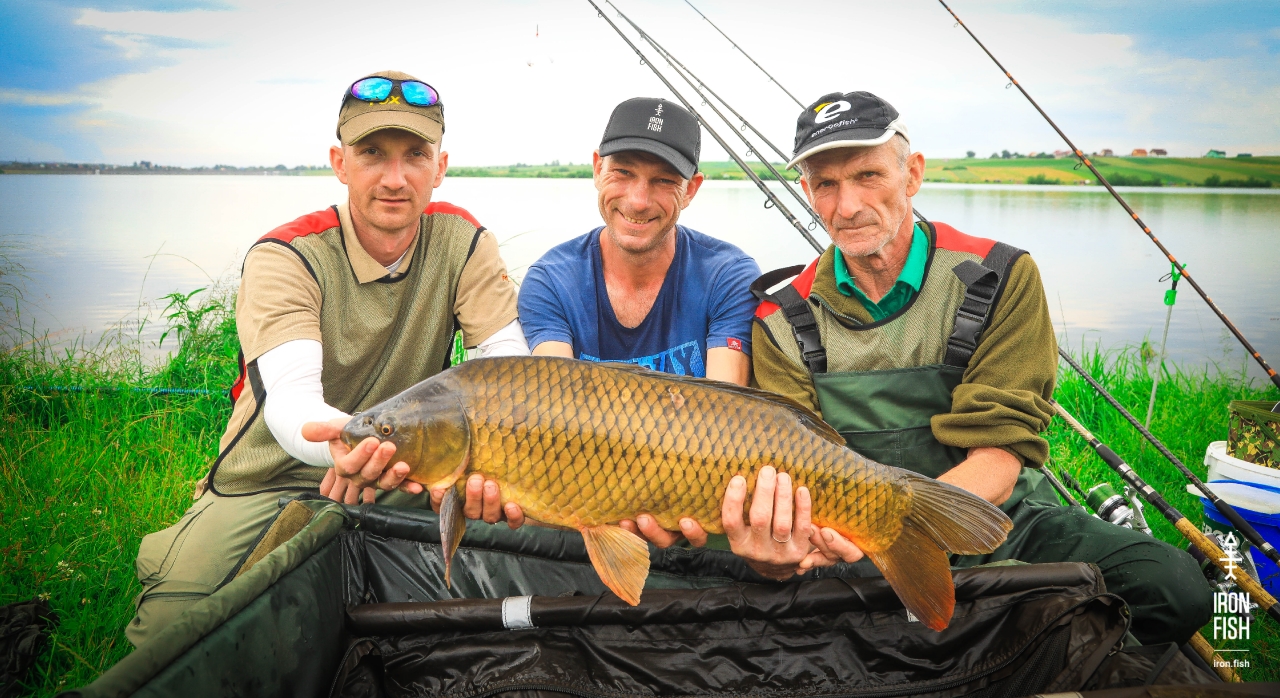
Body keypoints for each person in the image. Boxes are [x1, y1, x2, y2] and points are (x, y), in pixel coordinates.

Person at [750, 90, 1211, 645]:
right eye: (826, 184)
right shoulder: (781, 317)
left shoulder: (997, 275)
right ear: (807, 193)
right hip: (855, 536)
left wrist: (908, 529)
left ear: (912, 174)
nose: (846, 206)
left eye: (868, 175)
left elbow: (998, 455)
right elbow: (793, 472)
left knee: (1173, 587)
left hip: (995, 516)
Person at [125, 70, 528, 646]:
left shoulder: (463, 241)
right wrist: (344, 446)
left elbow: (507, 371)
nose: (395, 178)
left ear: (440, 167)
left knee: (504, 577)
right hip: (272, 478)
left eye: (415, 155)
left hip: (406, 472)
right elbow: (293, 404)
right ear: (340, 163)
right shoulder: (287, 254)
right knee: (176, 634)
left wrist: (484, 466)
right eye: (372, 154)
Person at [517, 97, 760, 386]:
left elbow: (725, 402)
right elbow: (558, 401)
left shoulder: (728, 277)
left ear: (690, 190)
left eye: (664, 180)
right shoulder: (551, 282)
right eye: (623, 172)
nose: (638, 201)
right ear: (598, 169)